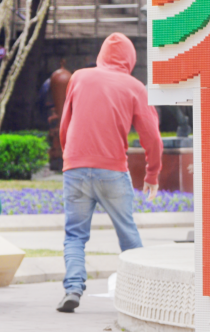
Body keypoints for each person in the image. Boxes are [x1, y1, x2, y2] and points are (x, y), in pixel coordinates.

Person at [55, 33, 161, 313]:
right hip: (112, 170)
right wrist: (152, 174)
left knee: (75, 235)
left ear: (101, 54)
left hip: (75, 168)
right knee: (127, 232)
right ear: (131, 59)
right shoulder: (135, 87)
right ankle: (143, 293)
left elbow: (66, 124)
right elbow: (152, 136)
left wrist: (70, 157)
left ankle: (73, 289)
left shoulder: (79, 77)